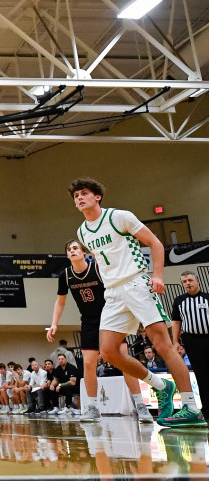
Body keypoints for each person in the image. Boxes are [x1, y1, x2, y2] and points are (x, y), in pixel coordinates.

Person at [71, 177, 202, 427]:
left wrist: (158, 276)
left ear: (97, 196)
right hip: (113, 292)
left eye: (84, 193)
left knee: (162, 344)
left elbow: (155, 243)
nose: (79, 198)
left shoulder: (119, 217)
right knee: (108, 351)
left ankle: (191, 407)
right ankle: (161, 385)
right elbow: (101, 260)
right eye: (76, 195)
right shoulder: (82, 232)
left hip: (136, 283)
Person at [48, 239, 149, 421]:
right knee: (88, 364)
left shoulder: (97, 269)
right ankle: (93, 407)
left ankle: (141, 405)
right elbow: (60, 301)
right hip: (88, 322)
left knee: (124, 360)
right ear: (67, 255)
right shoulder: (65, 275)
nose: (72, 251)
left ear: (84, 252)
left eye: (76, 248)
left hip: (110, 318)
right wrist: (54, 323)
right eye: (69, 249)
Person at [171, 270, 209, 408]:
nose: (188, 283)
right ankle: (206, 410)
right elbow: (176, 322)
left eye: (190, 280)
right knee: (201, 375)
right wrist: (175, 342)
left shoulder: (207, 297)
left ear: (197, 281)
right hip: (192, 341)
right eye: (184, 282)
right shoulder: (179, 301)